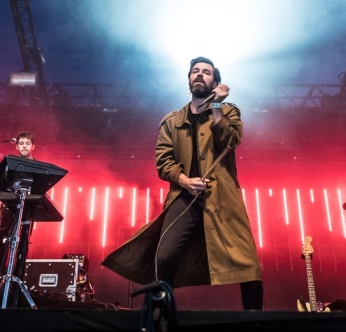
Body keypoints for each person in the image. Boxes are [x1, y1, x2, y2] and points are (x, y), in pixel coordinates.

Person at [102, 57, 263, 310]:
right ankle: (160, 318)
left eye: (206, 72)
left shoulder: (228, 110)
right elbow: (163, 161)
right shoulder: (171, 121)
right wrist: (184, 180)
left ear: (216, 82)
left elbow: (230, 141)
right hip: (184, 196)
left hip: (221, 197)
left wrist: (218, 106)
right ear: (189, 79)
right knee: (164, 257)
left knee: (248, 263)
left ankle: (255, 320)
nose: (199, 75)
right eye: (195, 71)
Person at [0, 132, 36, 279]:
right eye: (22, 143)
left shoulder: (37, 167)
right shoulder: (9, 164)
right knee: (0, 246)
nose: (24, 146)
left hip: (26, 210)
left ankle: (16, 281)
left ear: (33, 146)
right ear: (17, 146)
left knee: (22, 247)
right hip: (7, 209)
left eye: (27, 143)